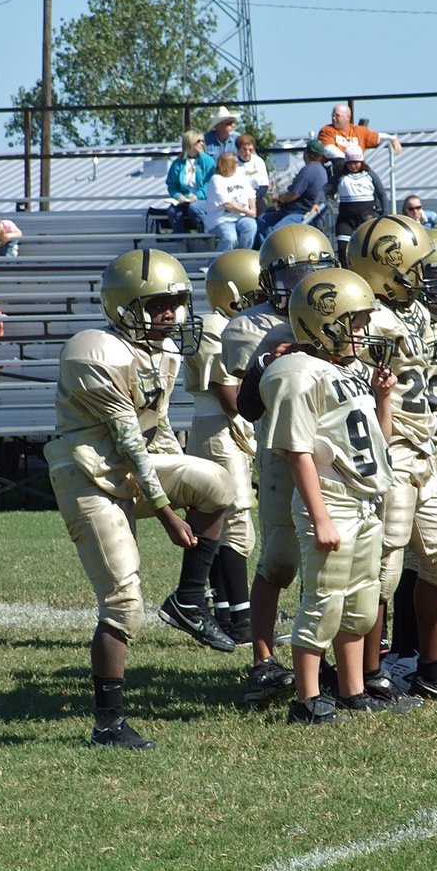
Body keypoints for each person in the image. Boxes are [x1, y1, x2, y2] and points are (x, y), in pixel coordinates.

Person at [43, 249, 236, 749]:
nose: (169, 314)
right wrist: (169, 512)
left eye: (175, 302)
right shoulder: (94, 352)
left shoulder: (164, 352)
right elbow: (127, 438)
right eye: (157, 304)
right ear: (124, 306)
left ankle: (190, 599)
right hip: (89, 474)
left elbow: (157, 427)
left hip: (135, 466)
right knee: (124, 602)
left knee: (219, 483)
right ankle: (108, 724)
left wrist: (180, 479)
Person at [259, 269, 415, 723]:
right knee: (324, 600)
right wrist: (320, 516)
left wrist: (383, 398)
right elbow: (298, 452)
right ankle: (307, 698)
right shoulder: (298, 373)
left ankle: (352, 689)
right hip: (331, 499)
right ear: (323, 323)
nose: (363, 333)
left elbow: (378, 445)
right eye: (356, 323)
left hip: (365, 498)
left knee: (362, 602)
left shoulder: (349, 371)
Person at [348, 215, 437, 700]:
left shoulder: (409, 311)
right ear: (387, 268)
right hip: (386, 451)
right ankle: (367, 675)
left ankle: (430, 669)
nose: (424, 276)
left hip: (423, 450)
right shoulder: (362, 318)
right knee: (381, 569)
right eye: (414, 267)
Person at [223, 225, 337, 706]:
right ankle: (263, 660)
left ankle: (334, 660)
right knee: (280, 561)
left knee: (337, 566)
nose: (303, 285)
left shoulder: (341, 310)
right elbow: (251, 400)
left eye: (313, 273)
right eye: (293, 276)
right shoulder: (249, 326)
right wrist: (273, 356)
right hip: (282, 452)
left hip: (336, 452)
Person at [183, 250, 262, 645]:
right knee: (233, 518)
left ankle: (227, 609)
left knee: (227, 518)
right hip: (220, 427)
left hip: (220, 428)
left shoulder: (225, 322)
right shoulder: (215, 326)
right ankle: (240, 616)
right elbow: (230, 395)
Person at [256, 139, 328, 244]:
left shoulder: (308, 170)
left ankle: (269, 256)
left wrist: (279, 198)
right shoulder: (321, 170)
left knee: (275, 232)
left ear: (306, 153)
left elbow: (293, 194)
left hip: (303, 213)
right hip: (302, 212)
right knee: (263, 220)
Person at [332, 146, 386, 267]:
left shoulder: (370, 175)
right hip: (346, 219)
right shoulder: (341, 176)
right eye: (350, 163)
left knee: (368, 248)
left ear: (361, 162)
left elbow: (382, 194)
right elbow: (326, 189)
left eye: (356, 162)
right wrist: (317, 203)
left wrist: (384, 214)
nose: (353, 166)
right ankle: (347, 274)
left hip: (367, 217)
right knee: (343, 249)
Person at [203, 152, 257, 252]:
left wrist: (253, 209)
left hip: (241, 216)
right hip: (222, 219)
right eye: (235, 162)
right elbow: (227, 204)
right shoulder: (216, 179)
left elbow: (251, 194)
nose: (238, 164)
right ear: (227, 165)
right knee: (230, 239)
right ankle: (216, 263)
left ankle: (242, 256)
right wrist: (248, 212)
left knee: (251, 227)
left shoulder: (240, 175)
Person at [165, 130, 215, 234]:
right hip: (183, 200)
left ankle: (206, 233)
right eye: (198, 141)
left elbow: (210, 184)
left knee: (194, 207)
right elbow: (172, 185)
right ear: (189, 144)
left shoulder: (208, 161)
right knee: (172, 212)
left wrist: (197, 196)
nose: (202, 143)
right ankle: (182, 240)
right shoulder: (178, 163)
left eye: (202, 141)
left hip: (203, 199)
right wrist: (178, 195)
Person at [318, 103, 402, 161]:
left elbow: (378, 137)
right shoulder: (326, 130)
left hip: (356, 168)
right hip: (338, 167)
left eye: (337, 115)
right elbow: (329, 150)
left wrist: (392, 139)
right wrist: (349, 160)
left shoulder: (360, 131)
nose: (333, 118)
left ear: (348, 117)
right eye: (332, 115)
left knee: (372, 176)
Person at [234, 132, 271, 209]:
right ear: (238, 149)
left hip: (255, 197)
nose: (247, 153)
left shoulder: (258, 161)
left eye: (250, 150)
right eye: (244, 149)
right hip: (237, 197)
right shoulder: (233, 162)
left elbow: (264, 185)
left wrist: (254, 198)